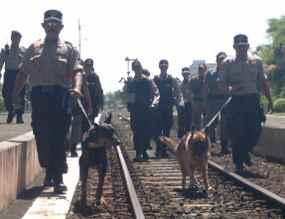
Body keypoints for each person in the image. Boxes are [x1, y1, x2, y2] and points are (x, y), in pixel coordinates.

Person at [12, 9, 83, 193]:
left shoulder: (69, 48)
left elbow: (77, 71)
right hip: (39, 97)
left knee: (58, 137)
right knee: (42, 136)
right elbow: (22, 73)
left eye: (55, 23)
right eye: (48, 23)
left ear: (61, 27)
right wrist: (15, 94)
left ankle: (56, 177)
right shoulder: (33, 47)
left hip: (60, 97)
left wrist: (76, 88)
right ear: (43, 25)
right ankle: (49, 167)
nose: (51, 26)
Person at [221, 34, 273, 173]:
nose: (241, 49)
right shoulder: (227, 63)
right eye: (239, 47)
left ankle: (244, 152)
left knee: (255, 130)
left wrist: (269, 99)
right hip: (236, 101)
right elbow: (222, 85)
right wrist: (230, 89)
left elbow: (263, 82)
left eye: (244, 46)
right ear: (234, 47)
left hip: (253, 100)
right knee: (238, 133)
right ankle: (239, 163)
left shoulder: (257, 61)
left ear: (248, 46)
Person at [127, 60, 157, 161]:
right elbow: (130, 95)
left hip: (146, 109)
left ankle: (144, 152)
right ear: (133, 69)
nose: (136, 69)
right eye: (134, 67)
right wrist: (129, 106)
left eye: (138, 67)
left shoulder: (147, 80)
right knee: (136, 131)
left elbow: (154, 93)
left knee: (145, 131)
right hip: (135, 110)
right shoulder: (132, 82)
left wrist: (152, 103)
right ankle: (138, 152)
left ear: (141, 68)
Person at [153, 59, 181, 158]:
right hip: (158, 109)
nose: (163, 67)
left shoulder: (172, 79)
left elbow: (178, 92)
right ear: (159, 67)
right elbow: (152, 92)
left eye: (165, 65)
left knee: (166, 130)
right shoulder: (155, 79)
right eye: (162, 65)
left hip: (168, 108)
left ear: (167, 67)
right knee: (157, 129)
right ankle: (158, 150)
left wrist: (177, 104)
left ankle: (164, 150)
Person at [205, 52, 230, 154]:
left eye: (224, 59)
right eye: (220, 59)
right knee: (211, 123)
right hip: (212, 101)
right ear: (217, 61)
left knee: (225, 123)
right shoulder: (210, 73)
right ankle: (210, 144)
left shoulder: (229, 73)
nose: (222, 61)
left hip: (225, 100)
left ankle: (224, 146)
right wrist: (205, 103)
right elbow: (205, 89)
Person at [0, 31, 26, 123]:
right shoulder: (6, 50)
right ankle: (11, 111)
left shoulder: (23, 50)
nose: (16, 40)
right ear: (11, 38)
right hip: (9, 74)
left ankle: (19, 115)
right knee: (6, 94)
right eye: (14, 38)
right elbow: (1, 62)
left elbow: (27, 64)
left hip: (20, 74)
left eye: (18, 38)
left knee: (20, 95)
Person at [190, 63, 207, 130]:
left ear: (205, 70)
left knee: (206, 120)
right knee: (196, 121)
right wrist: (192, 103)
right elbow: (190, 91)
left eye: (202, 69)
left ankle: (205, 135)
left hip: (205, 101)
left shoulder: (208, 79)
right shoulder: (193, 79)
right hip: (196, 101)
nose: (201, 71)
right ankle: (197, 135)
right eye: (200, 69)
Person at [178, 67, 192, 138]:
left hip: (190, 105)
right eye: (184, 74)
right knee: (181, 123)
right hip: (182, 106)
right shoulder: (180, 84)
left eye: (187, 73)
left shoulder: (192, 83)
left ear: (189, 74)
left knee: (189, 124)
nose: (185, 75)